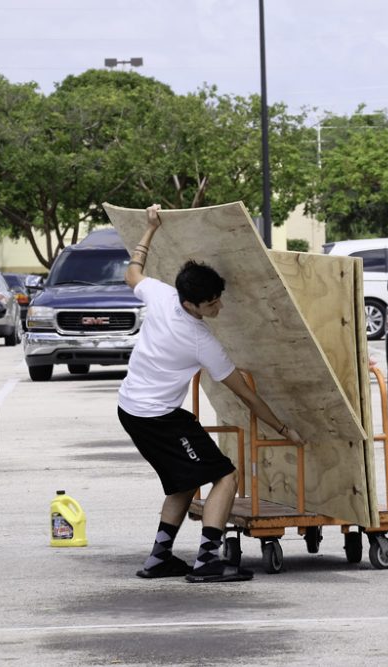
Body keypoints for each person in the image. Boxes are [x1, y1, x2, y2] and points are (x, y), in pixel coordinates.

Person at [117, 203, 305, 584]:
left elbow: (132, 273)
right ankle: (207, 561)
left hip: (132, 409)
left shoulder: (159, 295)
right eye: (211, 303)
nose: (218, 307)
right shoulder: (200, 341)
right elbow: (246, 395)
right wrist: (283, 429)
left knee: (185, 481)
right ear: (191, 304)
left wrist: (150, 228)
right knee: (225, 476)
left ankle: (160, 558)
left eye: (219, 299)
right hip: (155, 417)